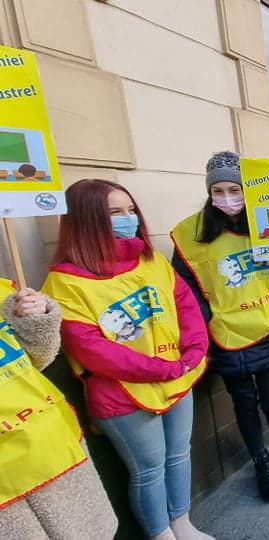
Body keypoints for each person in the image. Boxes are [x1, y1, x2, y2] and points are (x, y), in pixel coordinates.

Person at [42, 179, 212, 540]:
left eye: (131, 210)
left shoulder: (150, 261)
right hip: (123, 394)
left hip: (177, 378)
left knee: (179, 455)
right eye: (115, 213)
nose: (128, 219)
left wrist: (194, 349)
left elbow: (185, 305)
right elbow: (92, 349)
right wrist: (165, 368)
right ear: (87, 221)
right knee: (148, 470)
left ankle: (182, 523)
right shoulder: (64, 283)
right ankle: (160, 533)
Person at [171, 151, 269, 502]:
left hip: (268, 329)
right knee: (243, 406)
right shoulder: (191, 235)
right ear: (209, 193)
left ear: (247, 190)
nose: (227, 198)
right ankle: (260, 461)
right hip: (225, 338)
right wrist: (201, 329)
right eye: (219, 191)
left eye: (235, 189)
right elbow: (185, 291)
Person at [0, 280, 118, 539]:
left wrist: (37, 318)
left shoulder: (4, 292)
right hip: (7, 480)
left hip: (51, 445)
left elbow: (40, 357)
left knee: (92, 533)